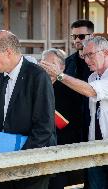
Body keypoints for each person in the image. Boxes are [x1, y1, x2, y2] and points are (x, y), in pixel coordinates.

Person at [0, 30, 56, 189]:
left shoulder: (38, 76)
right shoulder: (0, 76)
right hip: (4, 161)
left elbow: (45, 127)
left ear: (8, 52)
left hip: (32, 165)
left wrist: (20, 159)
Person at [40, 36, 108, 189]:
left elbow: (91, 91)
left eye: (90, 54)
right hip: (95, 148)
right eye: (84, 55)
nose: (86, 59)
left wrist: (59, 75)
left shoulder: (86, 83)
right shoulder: (92, 77)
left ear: (106, 52)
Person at [41, 49, 84, 188]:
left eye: (52, 63)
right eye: (45, 63)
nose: (48, 67)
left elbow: (69, 122)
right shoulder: (37, 87)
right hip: (38, 148)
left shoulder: (70, 89)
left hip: (61, 148)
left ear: (62, 67)